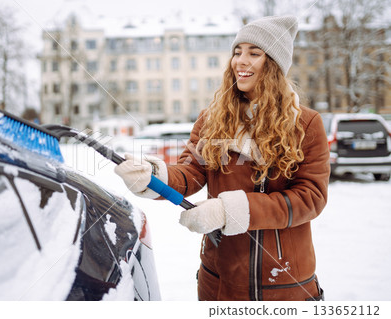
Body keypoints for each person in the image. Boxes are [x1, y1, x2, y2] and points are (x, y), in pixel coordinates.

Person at [114, 15, 330, 301]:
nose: (241, 60)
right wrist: (153, 175)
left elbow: (310, 198)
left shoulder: (305, 124)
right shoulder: (212, 119)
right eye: (237, 52)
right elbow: (190, 173)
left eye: (254, 53)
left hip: (284, 283)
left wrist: (230, 211)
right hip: (219, 280)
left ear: (274, 65)